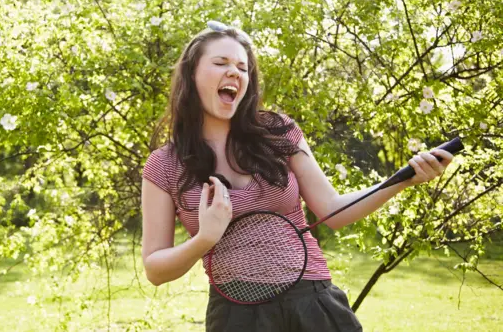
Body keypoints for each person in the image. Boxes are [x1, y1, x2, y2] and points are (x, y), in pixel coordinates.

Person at [140, 21, 453, 331]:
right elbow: (155, 269)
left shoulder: (278, 131)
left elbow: (332, 210)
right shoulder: (165, 164)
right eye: (220, 63)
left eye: (243, 67)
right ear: (191, 75)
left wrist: (406, 179)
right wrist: (205, 238)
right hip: (237, 316)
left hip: (312, 301)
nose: (235, 72)